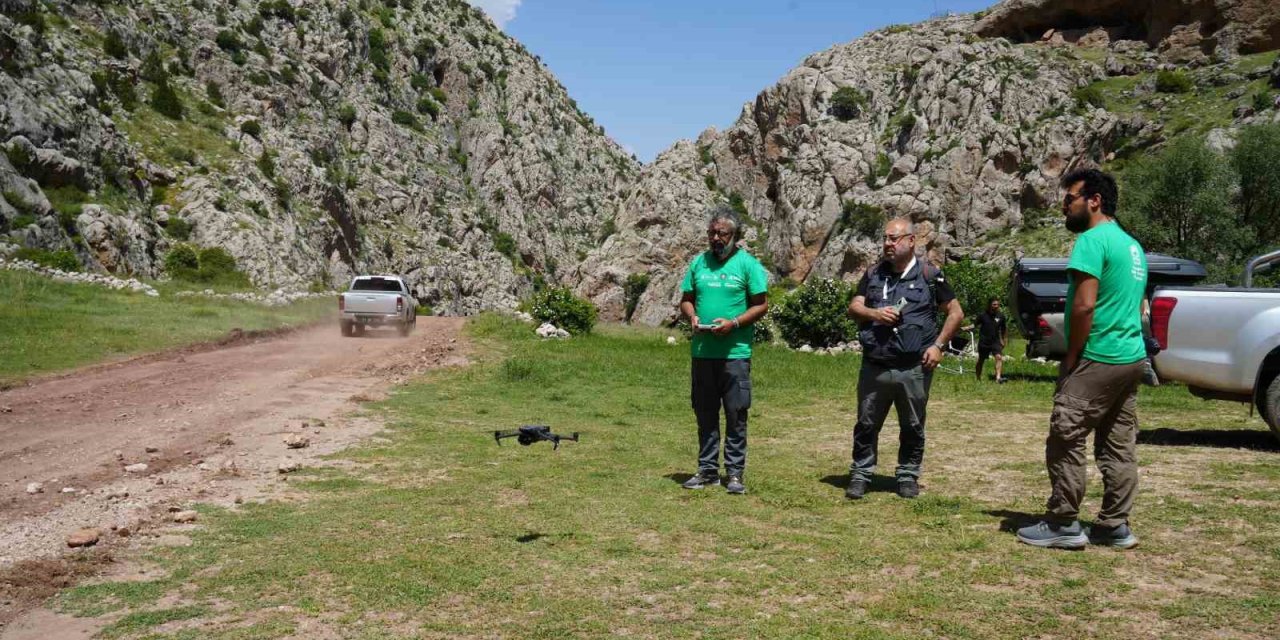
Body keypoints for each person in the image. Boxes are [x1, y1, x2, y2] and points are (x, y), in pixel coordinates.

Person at [1017, 168, 1148, 550]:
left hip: (1099, 355)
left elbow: (1084, 304)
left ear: (1094, 201)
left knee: (1065, 434)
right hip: (1131, 357)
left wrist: (1071, 356)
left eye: (1070, 198)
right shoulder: (1131, 244)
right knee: (1118, 444)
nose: (1064, 205)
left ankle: (1062, 523)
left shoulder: (1092, 241)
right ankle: (1113, 525)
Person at [845, 218, 964, 499]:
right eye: (885, 238)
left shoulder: (930, 275)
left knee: (912, 424)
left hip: (913, 367)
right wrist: (874, 314)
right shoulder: (873, 273)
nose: (888, 243)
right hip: (875, 365)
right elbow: (854, 306)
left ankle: (907, 475)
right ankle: (861, 474)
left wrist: (938, 346)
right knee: (866, 423)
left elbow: (956, 312)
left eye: (894, 238)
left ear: (911, 241)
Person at [678, 204, 769, 495]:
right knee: (705, 414)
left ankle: (734, 474)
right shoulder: (698, 264)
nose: (716, 238)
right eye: (712, 233)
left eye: (722, 233)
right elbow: (686, 299)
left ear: (735, 236)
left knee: (736, 414)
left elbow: (761, 304)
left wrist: (734, 323)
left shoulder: (748, 265)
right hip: (703, 353)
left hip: (735, 355)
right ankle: (707, 470)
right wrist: (691, 315)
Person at [974, 297, 1009, 383]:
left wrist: (1004, 340)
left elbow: (1004, 329)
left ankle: (998, 378)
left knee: (999, 357)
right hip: (984, 341)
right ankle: (978, 378)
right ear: (989, 305)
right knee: (981, 360)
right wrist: (965, 328)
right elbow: (974, 325)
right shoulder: (982, 315)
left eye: (997, 304)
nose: (996, 306)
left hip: (995, 341)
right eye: (994, 304)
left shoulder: (1001, 316)